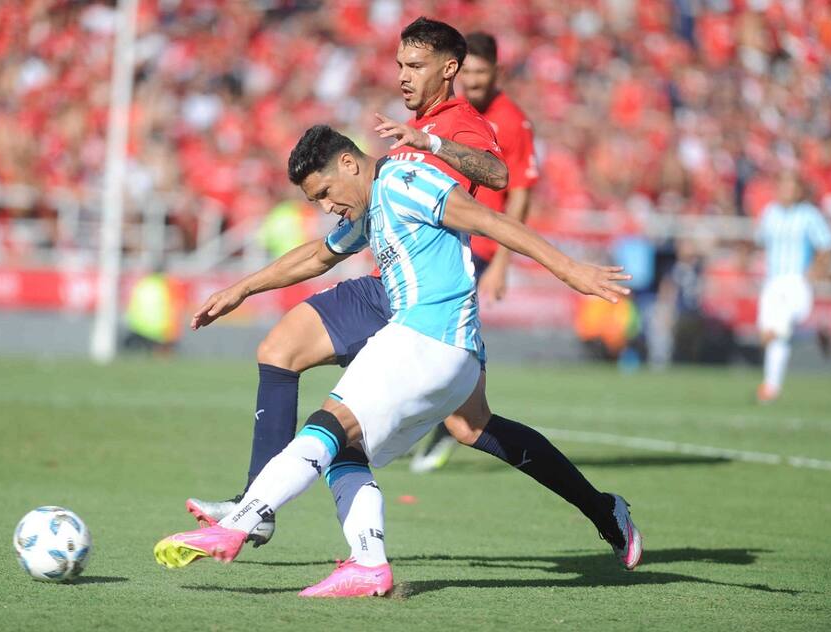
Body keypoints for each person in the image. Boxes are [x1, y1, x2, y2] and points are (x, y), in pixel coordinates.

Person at [186, 18, 635, 575]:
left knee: (468, 426)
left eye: (415, 65)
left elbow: (496, 176)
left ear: (449, 69)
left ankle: (601, 509)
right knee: (280, 350)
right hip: (392, 286)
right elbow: (325, 250)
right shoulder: (407, 138)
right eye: (399, 64)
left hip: (433, 297)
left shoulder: (459, 124)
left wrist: (435, 144)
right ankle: (260, 504)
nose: (402, 75)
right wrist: (242, 287)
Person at [411, 31, 540, 472]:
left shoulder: (513, 121)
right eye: (468, 73)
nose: (474, 81)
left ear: (497, 72)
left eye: (482, 73)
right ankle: (440, 418)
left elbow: (519, 194)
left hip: (480, 243)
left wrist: (503, 261)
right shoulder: (451, 113)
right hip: (443, 234)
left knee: (447, 332)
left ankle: (453, 421)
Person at [755, 171, 831, 402]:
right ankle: (813, 333)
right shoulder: (770, 213)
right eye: (783, 186)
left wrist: (817, 270)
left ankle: (770, 387)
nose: (785, 191)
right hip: (772, 281)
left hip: (795, 281)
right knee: (768, 337)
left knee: (777, 330)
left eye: (791, 187)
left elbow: (825, 245)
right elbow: (760, 241)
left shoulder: (809, 215)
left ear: (799, 191)